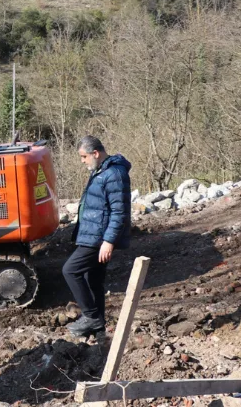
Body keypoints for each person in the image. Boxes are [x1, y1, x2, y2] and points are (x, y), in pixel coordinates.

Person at [64, 135, 132, 336]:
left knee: (70, 270)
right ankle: (99, 328)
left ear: (96, 153)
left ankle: (91, 317)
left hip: (98, 238)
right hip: (93, 235)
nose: (83, 161)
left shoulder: (114, 174)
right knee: (93, 279)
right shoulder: (101, 171)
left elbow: (119, 212)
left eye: (84, 157)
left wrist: (108, 241)